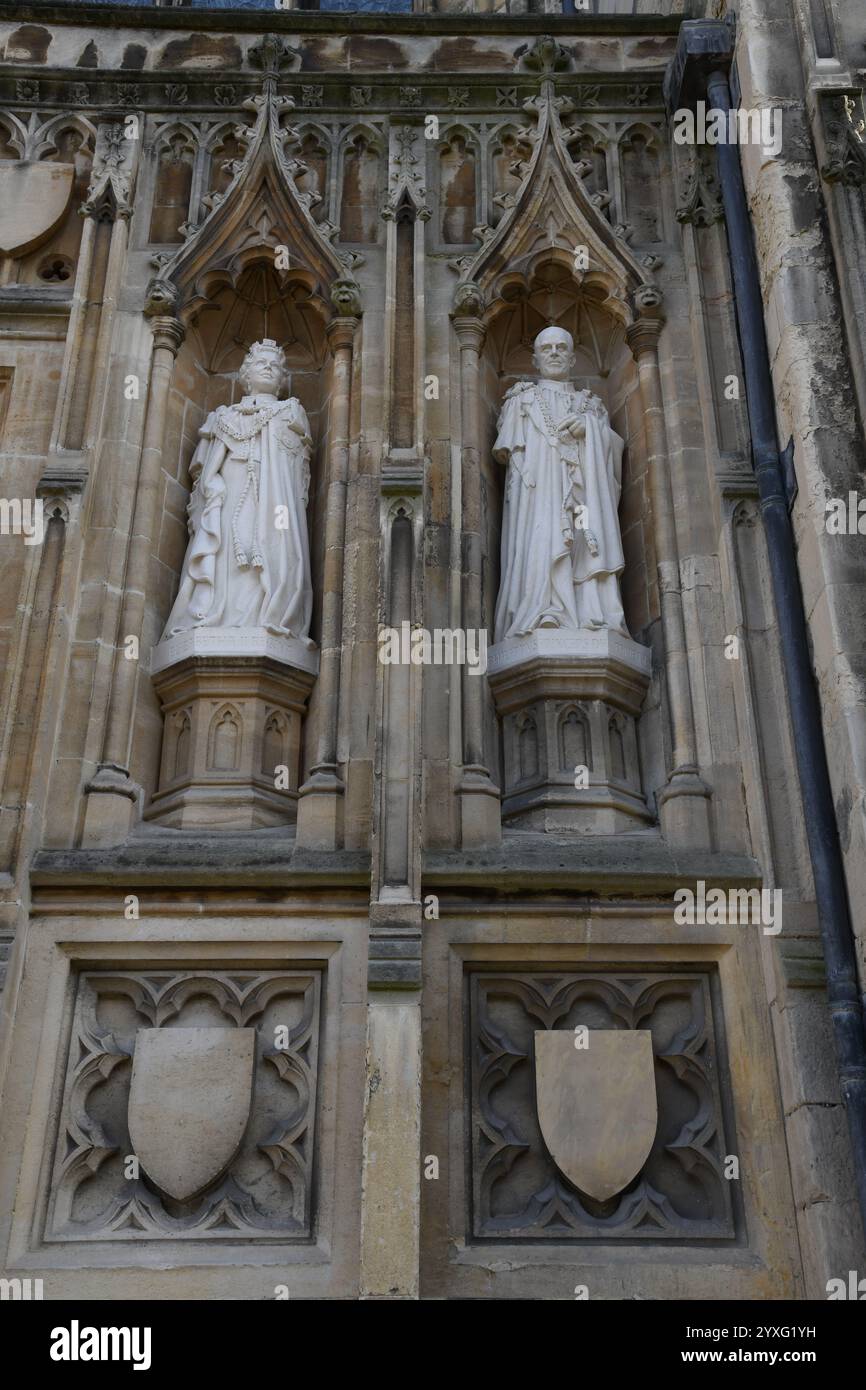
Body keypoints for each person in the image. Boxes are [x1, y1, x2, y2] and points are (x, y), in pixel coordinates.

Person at [163, 339, 313, 643]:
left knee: (272, 550)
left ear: (284, 378)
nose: (269, 368)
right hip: (230, 494)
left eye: (275, 365)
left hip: (274, 502)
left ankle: (269, 615)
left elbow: (297, 475)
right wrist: (213, 487)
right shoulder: (223, 417)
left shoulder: (291, 413)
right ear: (246, 374)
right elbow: (205, 470)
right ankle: (215, 616)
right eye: (262, 363)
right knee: (229, 552)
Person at [493, 325, 629, 643]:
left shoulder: (591, 406)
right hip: (538, 496)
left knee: (587, 540)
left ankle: (590, 613)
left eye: (561, 348)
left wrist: (591, 432)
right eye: (546, 348)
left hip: (585, 498)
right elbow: (511, 460)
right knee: (540, 544)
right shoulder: (520, 401)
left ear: (571, 359)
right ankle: (541, 610)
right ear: (536, 360)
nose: (554, 353)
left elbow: (613, 454)